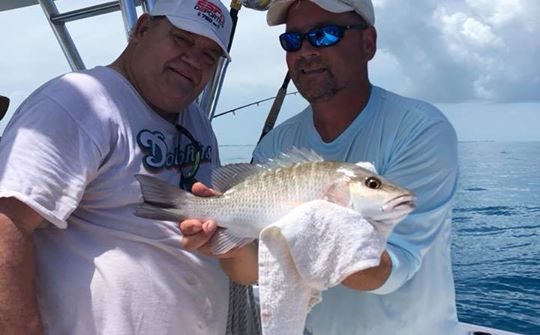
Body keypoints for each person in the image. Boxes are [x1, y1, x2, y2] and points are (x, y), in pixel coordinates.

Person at [180, 0, 460, 334]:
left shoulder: (419, 129)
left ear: (368, 43)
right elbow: (253, 268)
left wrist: (321, 227)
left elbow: (388, 272)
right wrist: (230, 243)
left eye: (325, 34)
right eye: (293, 41)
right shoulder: (276, 146)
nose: (306, 50)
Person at [0, 0, 235, 333]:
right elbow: (6, 224)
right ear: (141, 30)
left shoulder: (196, 120)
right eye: (182, 39)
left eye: (209, 55)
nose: (193, 60)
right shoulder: (76, 103)